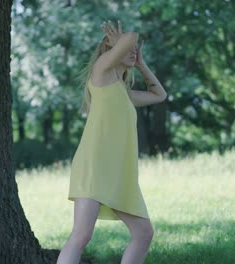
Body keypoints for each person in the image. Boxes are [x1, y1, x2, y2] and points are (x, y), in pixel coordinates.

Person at [57, 20, 167, 264]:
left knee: (143, 233)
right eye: (128, 49)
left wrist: (141, 64)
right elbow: (132, 36)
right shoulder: (101, 74)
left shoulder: (123, 93)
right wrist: (121, 42)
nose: (133, 50)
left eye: (134, 50)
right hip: (94, 167)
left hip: (118, 173)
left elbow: (159, 95)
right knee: (81, 235)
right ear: (110, 51)